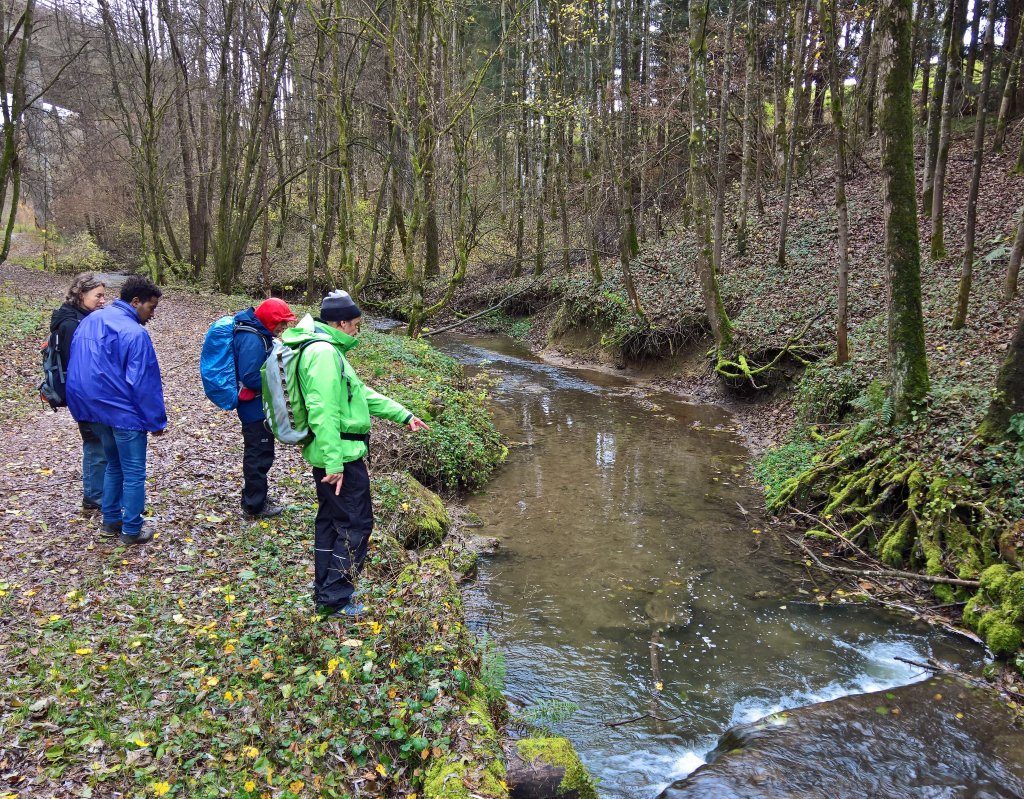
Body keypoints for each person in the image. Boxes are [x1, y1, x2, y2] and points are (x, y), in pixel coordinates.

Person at [282, 290, 430, 617]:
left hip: (333, 455)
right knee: (355, 525)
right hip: (341, 459)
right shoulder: (322, 354)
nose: (357, 332)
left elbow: (361, 394)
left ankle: (326, 592)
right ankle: (336, 599)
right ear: (342, 322)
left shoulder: (326, 350)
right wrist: (334, 463)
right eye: (356, 325)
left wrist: (404, 415)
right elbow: (322, 410)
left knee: (331, 523)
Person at [66, 275, 167, 545]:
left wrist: (81, 408)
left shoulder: (90, 321)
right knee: (133, 472)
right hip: (123, 414)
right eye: (151, 307)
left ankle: (110, 522)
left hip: (92, 410)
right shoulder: (135, 333)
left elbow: (76, 367)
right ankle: (132, 529)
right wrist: (156, 421)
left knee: (114, 465)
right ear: (135, 302)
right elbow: (143, 383)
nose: (153, 314)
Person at [48, 272, 108, 514]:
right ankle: (94, 498)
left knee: (97, 443)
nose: (103, 300)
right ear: (82, 294)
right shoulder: (72, 324)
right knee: (95, 444)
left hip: (84, 393)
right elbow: (79, 365)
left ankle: (98, 493)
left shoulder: (78, 317)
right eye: (99, 295)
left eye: (105, 295)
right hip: (83, 395)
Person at [234, 298, 296, 518]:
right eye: (281, 323)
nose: (284, 328)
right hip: (254, 409)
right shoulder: (252, 339)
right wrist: (281, 379)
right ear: (271, 320)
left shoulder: (257, 333)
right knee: (258, 455)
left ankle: (256, 497)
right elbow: (250, 377)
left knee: (261, 453)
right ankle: (254, 505)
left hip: (256, 406)